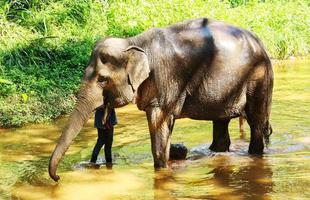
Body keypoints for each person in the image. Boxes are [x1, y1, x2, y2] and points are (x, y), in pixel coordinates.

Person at [90, 97, 117, 167]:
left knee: (101, 141)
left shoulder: (97, 91)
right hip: (107, 120)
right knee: (107, 143)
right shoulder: (108, 91)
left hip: (100, 119)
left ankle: (93, 161)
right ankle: (108, 162)